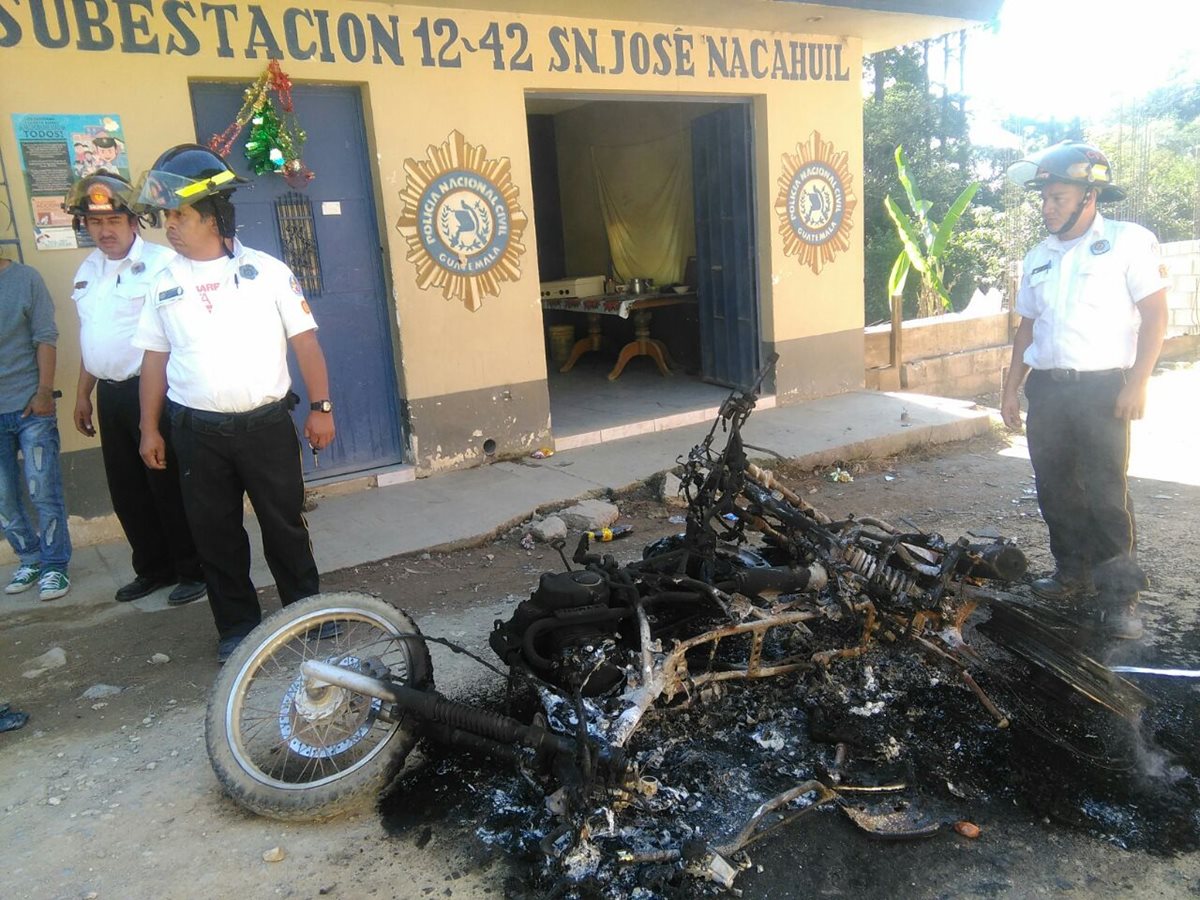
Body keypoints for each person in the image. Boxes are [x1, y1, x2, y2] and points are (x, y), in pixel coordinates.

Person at [131, 144, 335, 662]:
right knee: (215, 534)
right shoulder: (163, 283)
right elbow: (154, 360)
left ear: (214, 217)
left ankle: (305, 612)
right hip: (196, 433)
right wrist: (149, 428)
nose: (169, 226)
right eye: (166, 216)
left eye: (180, 215)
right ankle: (238, 628)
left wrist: (321, 408)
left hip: (265, 428)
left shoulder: (268, 271)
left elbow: (305, 341)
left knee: (284, 525)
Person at [1001, 140, 1168, 640]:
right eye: (1045, 198)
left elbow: (1156, 316)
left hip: (1103, 390)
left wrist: (1138, 382)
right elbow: (1027, 328)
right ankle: (1071, 572)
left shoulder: (1128, 242)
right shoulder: (1039, 256)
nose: (1048, 207)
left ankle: (1120, 598)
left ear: (1088, 197)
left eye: (1058, 198)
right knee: (1054, 486)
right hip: (1049, 392)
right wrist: (1011, 389)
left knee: (1106, 493)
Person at [65, 173, 206, 606]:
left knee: (167, 484)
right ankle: (153, 568)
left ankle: (192, 569)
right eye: (94, 222)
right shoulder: (89, 269)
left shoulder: (163, 264)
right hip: (109, 394)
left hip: (153, 391)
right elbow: (93, 337)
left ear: (133, 221)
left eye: (113, 221)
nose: (104, 231)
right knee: (128, 490)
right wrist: (83, 394)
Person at [0, 257, 71, 601]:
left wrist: (44, 391)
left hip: (31, 407)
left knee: (42, 490)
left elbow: (45, 336)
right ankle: (29, 558)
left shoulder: (25, 279)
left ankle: (54, 565)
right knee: (3, 497)